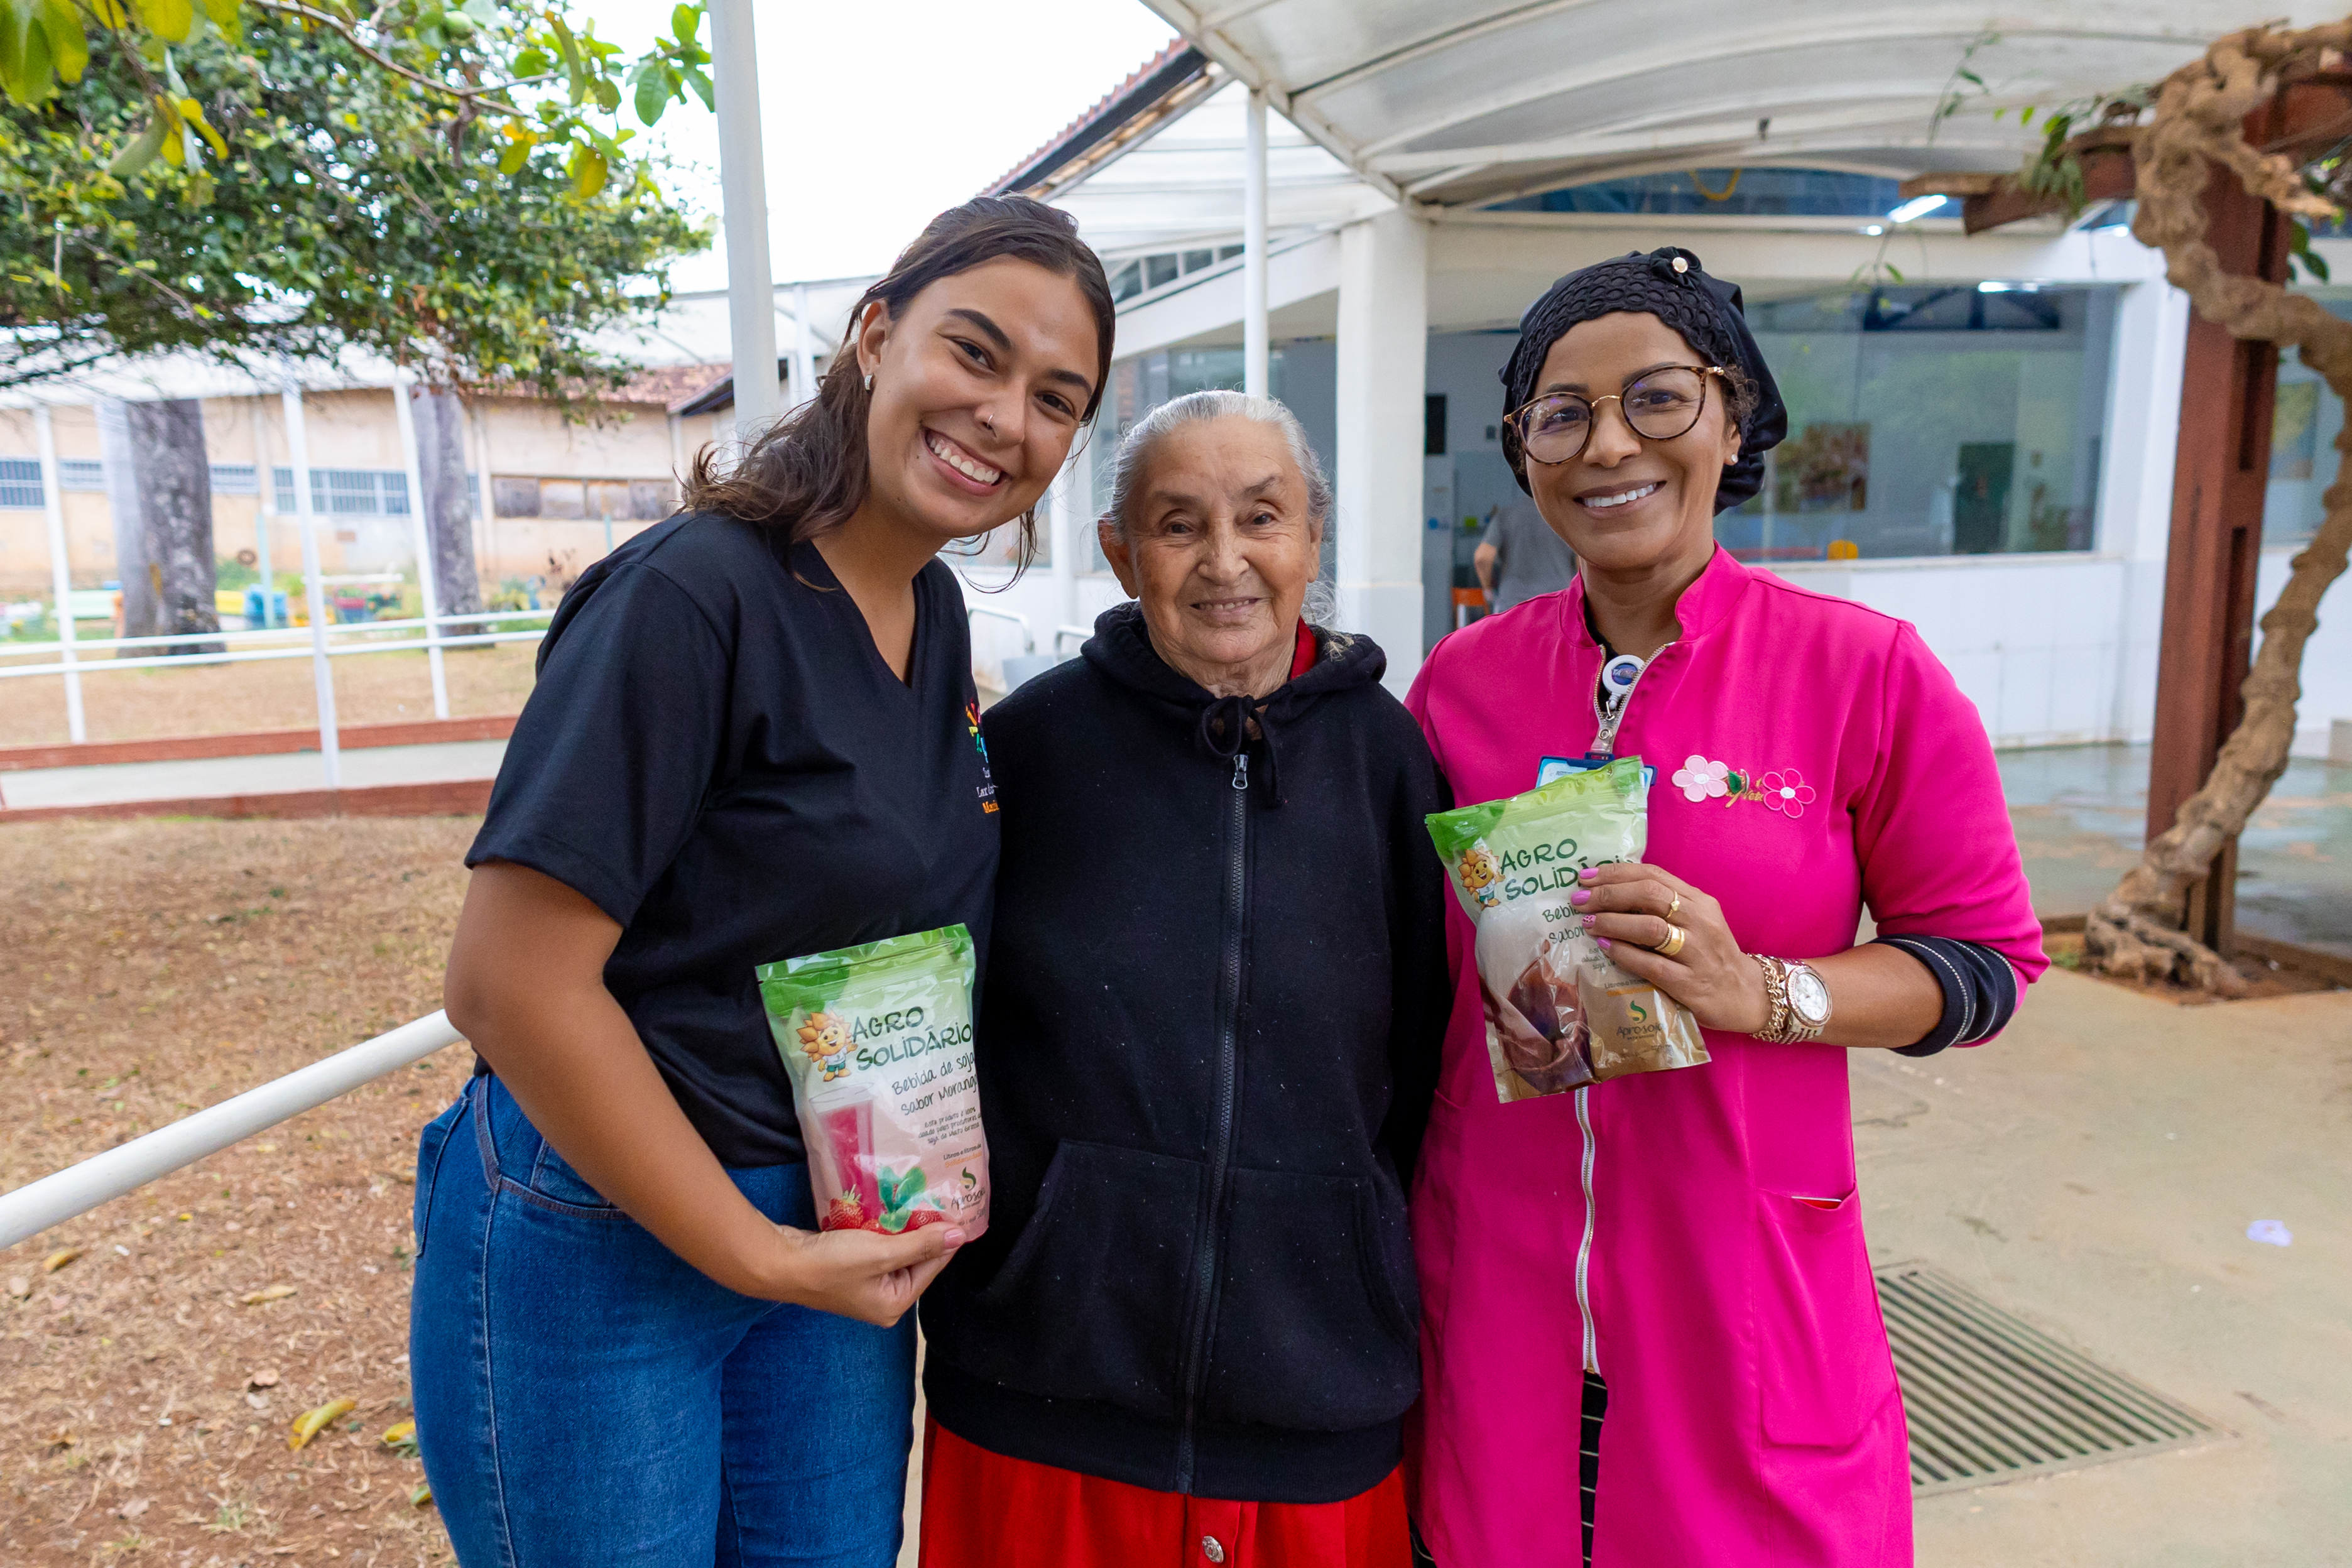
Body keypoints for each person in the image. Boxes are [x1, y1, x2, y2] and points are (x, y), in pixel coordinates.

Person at [410, 195, 1115, 1568]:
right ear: (873, 334)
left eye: (1055, 397)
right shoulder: (691, 600)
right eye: (973, 353)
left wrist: (821, 1241)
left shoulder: (934, 613)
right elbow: (507, 983)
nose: (1003, 416)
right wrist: (754, 1252)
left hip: (832, 1232)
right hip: (609, 1236)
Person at [1404, 248, 2046, 1567]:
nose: (1608, 446)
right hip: (1492, 1305)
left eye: (1657, 398)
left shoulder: (1864, 675)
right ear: (1524, 451)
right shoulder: (1459, 687)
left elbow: (1982, 965)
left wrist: (1765, 989)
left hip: (1744, 1310)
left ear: (1734, 413)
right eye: (1562, 412)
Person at [915, 389, 1451, 1568]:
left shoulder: (1392, 761)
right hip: (1039, 1390)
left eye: (1261, 519)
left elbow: (1421, 1058)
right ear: (1118, 552)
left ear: (1310, 537)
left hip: (1315, 1402)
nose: (1225, 563)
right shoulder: (1027, 751)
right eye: (1175, 524)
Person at [1472, 492, 1577, 614]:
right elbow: (1582, 559)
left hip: (1514, 606)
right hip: (1558, 605)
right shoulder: (1564, 516)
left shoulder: (1507, 515)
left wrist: (1488, 589)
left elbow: (1482, 558)